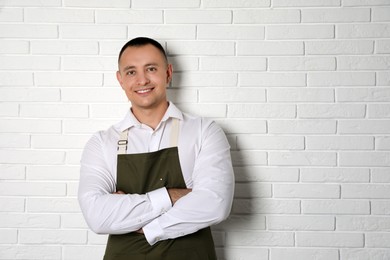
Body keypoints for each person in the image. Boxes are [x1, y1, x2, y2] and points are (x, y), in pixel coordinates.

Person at [78, 37, 235, 260]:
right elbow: (96, 216)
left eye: (151, 69)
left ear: (168, 73)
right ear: (120, 80)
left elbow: (215, 204)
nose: (142, 80)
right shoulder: (102, 143)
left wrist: (148, 227)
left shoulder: (203, 131)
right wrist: (172, 196)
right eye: (131, 72)